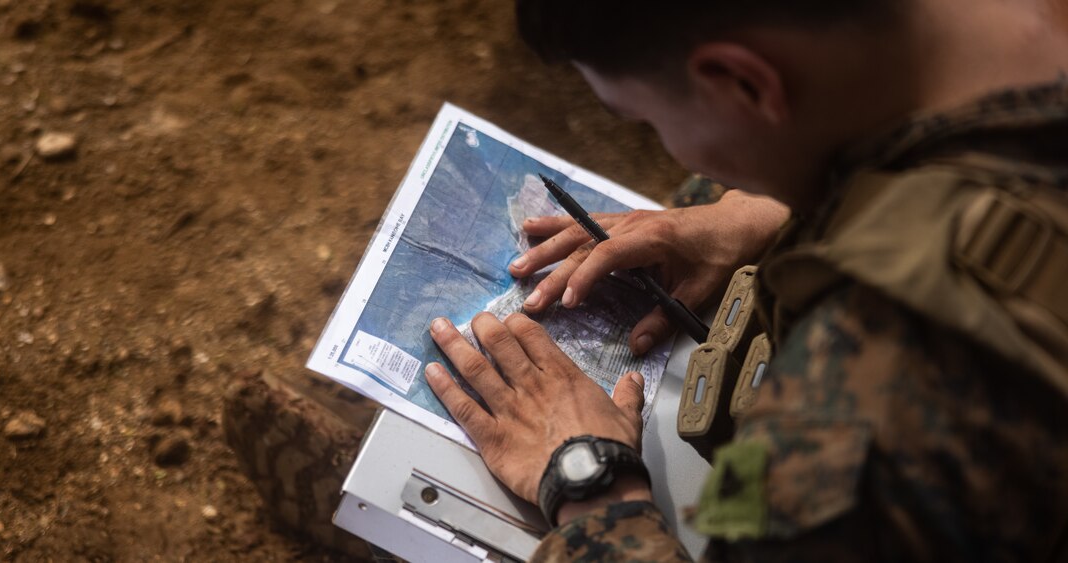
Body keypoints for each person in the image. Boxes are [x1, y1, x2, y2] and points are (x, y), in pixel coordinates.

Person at [423, 1, 1068, 561]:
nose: (671, 145)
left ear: (743, 81)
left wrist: (591, 488)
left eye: (649, 123)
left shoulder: (864, 389)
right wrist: (767, 209)